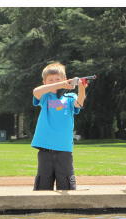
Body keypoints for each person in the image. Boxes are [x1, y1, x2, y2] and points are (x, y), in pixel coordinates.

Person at [31, 62, 86, 191]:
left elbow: (79, 103)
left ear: (65, 79)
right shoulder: (45, 96)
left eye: (58, 79)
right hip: (45, 149)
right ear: (44, 82)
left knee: (67, 185)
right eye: (50, 80)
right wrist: (60, 84)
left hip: (64, 149)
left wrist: (81, 86)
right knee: (43, 186)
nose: (54, 82)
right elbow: (36, 91)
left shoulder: (70, 97)